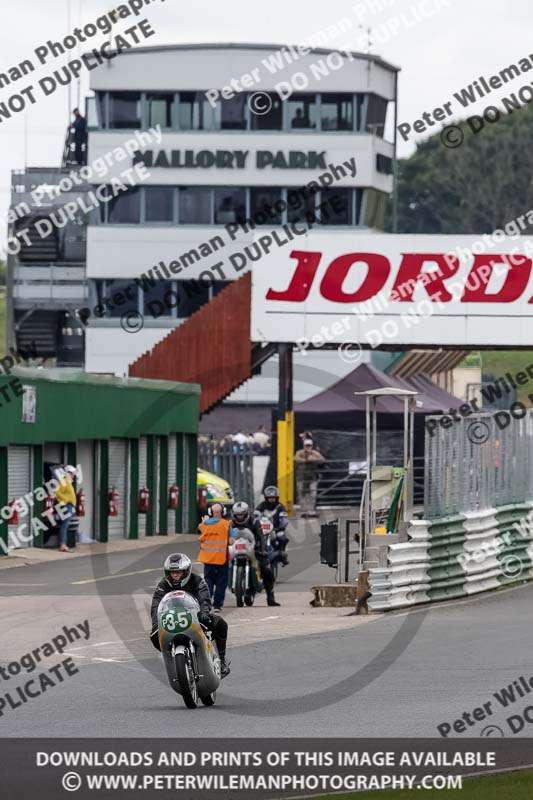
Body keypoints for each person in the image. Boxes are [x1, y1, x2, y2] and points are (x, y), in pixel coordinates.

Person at [149, 553, 230, 677]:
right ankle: (172, 659)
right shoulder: (163, 585)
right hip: (171, 620)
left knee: (221, 624)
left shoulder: (196, 580)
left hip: (195, 617)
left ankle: (222, 660)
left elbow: (204, 598)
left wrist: (204, 612)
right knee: (154, 635)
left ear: (186, 571)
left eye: (178, 572)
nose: (175, 575)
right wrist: (156, 621)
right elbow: (156, 605)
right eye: (172, 572)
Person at [230, 501, 280, 606]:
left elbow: (261, 537)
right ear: (234, 514)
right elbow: (225, 538)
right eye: (237, 515)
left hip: (254, 550)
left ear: (246, 513)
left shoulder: (254, 522)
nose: (239, 517)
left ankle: (270, 597)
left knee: (266, 570)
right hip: (235, 550)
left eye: (241, 514)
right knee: (220, 569)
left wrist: (263, 549)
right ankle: (215, 599)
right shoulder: (230, 524)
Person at [197, 502, 231, 611]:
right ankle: (217, 605)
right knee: (221, 583)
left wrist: (205, 520)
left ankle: (206, 603)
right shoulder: (226, 524)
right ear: (223, 512)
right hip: (222, 559)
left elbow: (200, 530)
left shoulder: (205, 524)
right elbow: (232, 541)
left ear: (210, 512)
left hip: (208, 559)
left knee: (208, 582)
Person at [255, 485, 289, 566]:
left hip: (276, 528)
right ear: (266, 497)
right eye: (270, 497)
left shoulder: (280, 507)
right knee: (255, 538)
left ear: (277, 497)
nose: (271, 499)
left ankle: (282, 556)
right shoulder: (261, 506)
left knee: (282, 538)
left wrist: (282, 526)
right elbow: (255, 516)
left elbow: (284, 518)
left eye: (273, 497)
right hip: (263, 528)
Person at [294, 439, 325, 518]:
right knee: (301, 493)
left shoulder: (315, 453)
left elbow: (322, 459)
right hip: (301, 477)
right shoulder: (299, 452)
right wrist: (306, 460)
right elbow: (295, 459)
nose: (308, 447)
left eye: (309, 445)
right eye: (306, 445)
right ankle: (303, 511)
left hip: (312, 478)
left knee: (312, 494)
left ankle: (311, 510)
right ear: (304, 446)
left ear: (312, 446)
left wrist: (314, 459)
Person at [54, 465, 77, 553]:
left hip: (69, 506)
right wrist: (66, 501)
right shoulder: (64, 481)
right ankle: (63, 545)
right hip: (66, 506)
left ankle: (63, 544)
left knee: (66, 525)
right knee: (65, 525)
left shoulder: (68, 481)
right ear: (69, 473)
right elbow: (58, 493)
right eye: (73, 473)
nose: (74, 475)